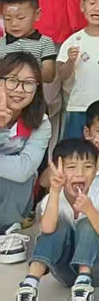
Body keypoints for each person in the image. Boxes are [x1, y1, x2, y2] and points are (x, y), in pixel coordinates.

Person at [15, 138, 99, 301]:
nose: (80, 173)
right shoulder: (53, 197)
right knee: (58, 226)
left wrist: (90, 210)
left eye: (87, 166)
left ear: (96, 170)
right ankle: (29, 284)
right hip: (66, 272)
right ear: (57, 170)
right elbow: (47, 230)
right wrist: (54, 191)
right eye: (71, 167)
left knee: (86, 224)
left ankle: (83, 283)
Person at [0, 55, 52, 262]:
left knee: (22, 175)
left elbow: (23, 170)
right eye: (12, 80)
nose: (20, 89)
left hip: (13, 197)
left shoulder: (41, 123)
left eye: (28, 83)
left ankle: (8, 230)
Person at [0, 0, 55, 85]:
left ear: (37, 15)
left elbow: (49, 75)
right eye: (7, 19)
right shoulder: (1, 43)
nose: (14, 24)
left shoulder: (45, 42)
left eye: (20, 18)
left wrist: (24, 72)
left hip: (32, 92)